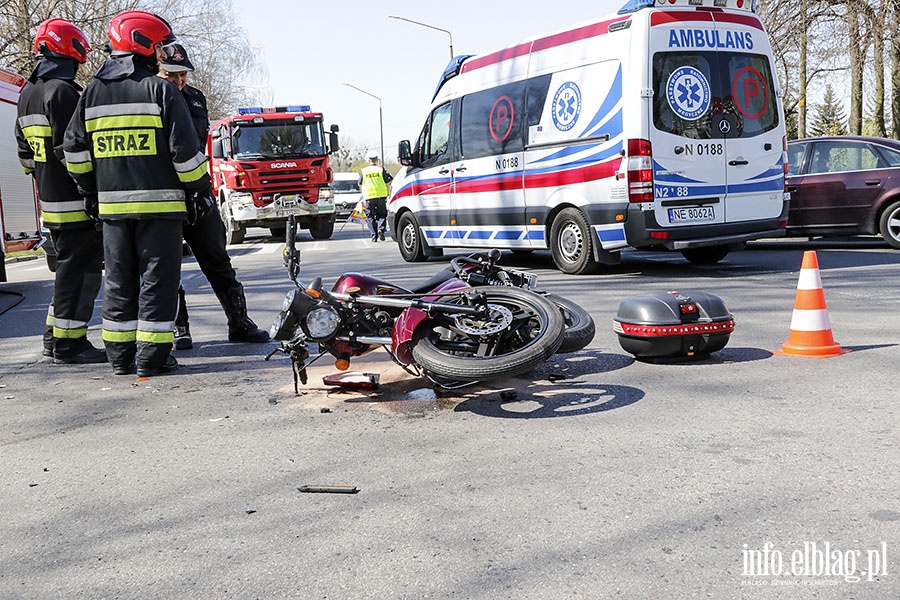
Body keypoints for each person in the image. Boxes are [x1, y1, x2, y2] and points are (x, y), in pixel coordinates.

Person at [64, 11, 210, 377]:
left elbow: (74, 151)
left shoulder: (93, 93)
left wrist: (90, 190)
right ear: (143, 44)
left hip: (112, 210)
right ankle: (151, 358)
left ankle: (119, 357)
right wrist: (199, 190)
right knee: (157, 282)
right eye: (159, 45)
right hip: (161, 211)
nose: (162, 53)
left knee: (118, 281)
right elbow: (187, 157)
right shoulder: (160, 90)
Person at [157, 42, 269, 350]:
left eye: (183, 74)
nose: (179, 80)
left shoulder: (195, 99)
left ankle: (239, 322)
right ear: (158, 71)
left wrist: (203, 190)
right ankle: (180, 328)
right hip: (166, 194)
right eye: (171, 74)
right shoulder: (152, 97)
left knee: (218, 259)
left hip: (199, 191)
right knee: (169, 266)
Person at [15, 18, 106, 365]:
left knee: (67, 270)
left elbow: (25, 155)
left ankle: (53, 338)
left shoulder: (27, 93)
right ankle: (71, 344)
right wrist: (92, 191)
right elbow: (73, 152)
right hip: (75, 199)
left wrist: (43, 175)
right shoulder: (63, 92)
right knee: (80, 274)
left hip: (50, 199)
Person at [359, 151, 392, 242]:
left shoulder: (364, 171)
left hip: (369, 197)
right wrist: (388, 193)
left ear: (369, 160)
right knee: (382, 214)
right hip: (381, 196)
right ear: (377, 160)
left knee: (370, 216)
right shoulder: (381, 170)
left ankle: (374, 235)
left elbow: (360, 183)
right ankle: (381, 229)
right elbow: (388, 182)